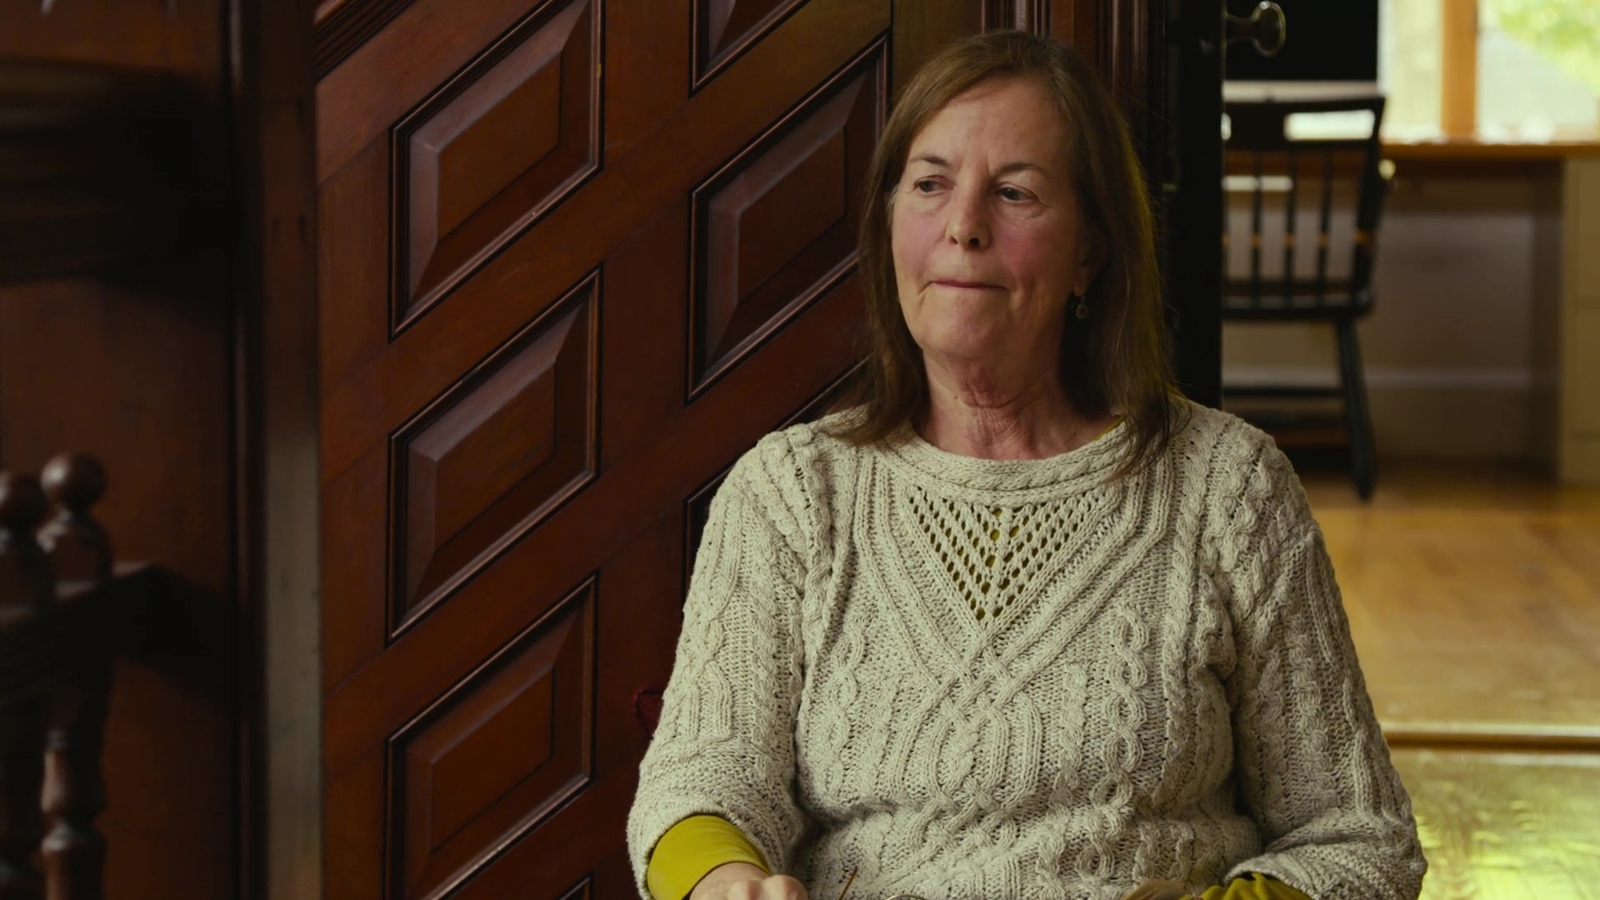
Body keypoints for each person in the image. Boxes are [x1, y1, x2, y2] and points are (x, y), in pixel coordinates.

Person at [627, 29, 1425, 900]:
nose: (963, 227)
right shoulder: (791, 493)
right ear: (890, 223)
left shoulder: (1226, 487)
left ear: (1091, 250)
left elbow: (1358, 841)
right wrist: (720, 883)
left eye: (1015, 193)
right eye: (929, 185)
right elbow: (698, 784)